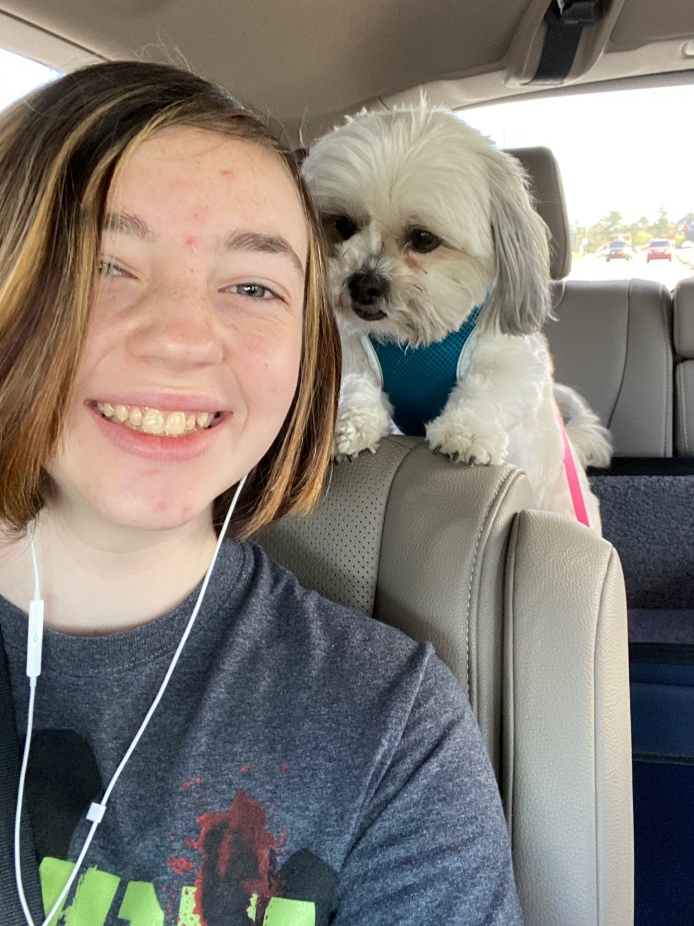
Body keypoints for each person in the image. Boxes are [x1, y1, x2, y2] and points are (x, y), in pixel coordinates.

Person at [0, 61, 522, 926]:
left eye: (253, 285)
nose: (182, 338)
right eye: (104, 264)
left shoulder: (394, 731)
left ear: (304, 348)